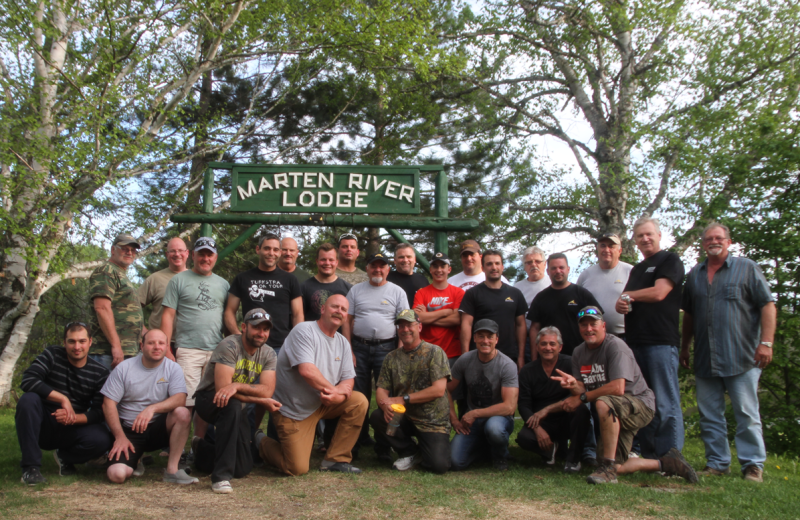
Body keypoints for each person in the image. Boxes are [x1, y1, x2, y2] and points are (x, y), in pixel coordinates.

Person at [554, 306, 697, 485]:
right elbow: (583, 389)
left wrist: (581, 398)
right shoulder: (578, 352)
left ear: (603, 325)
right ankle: (667, 463)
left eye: (593, 324)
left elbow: (617, 388)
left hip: (639, 404)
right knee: (616, 465)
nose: (588, 329)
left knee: (603, 403)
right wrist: (575, 385)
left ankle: (607, 466)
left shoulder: (615, 346)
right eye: (584, 325)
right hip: (614, 409)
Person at [680, 223, 776, 483]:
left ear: (729, 242)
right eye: (709, 238)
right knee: (709, 414)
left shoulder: (747, 268)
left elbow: (767, 305)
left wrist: (766, 343)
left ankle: (753, 465)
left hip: (742, 355)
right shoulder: (695, 274)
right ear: (703, 244)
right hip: (705, 357)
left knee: (746, 413)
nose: (714, 241)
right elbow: (688, 314)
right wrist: (685, 346)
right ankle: (717, 463)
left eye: (719, 237)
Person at [258, 295, 367, 475]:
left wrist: (340, 394)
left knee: (359, 401)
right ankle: (259, 440)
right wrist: (335, 392)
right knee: (296, 468)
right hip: (294, 410)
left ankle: (335, 460)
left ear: (346, 317)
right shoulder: (304, 330)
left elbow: (349, 378)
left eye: (343, 310)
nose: (339, 312)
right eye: (335, 307)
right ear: (323, 309)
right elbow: (307, 371)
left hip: (322, 403)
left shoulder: (342, 343)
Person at [615, 217, 685, 458]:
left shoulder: (670, 260)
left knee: (666, 402)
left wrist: (627, 297)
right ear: (635, 241)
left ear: (659, 235)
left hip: (661, 342)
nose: (645, 239)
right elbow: (625, 300)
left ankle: (672, 455)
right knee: (644, 401)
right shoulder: (637, 269)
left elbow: (659, 292)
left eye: (649, 234)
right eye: (640, 236)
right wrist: (622, 304)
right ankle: (651, 454)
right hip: (635, 342)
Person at [193, 308, 282, 493]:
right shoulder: (229, 346)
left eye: (266, 329)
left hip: (236, 401)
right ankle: (220, 477)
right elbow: (222, 390)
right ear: (244, 327)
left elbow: (267, 390)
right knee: (231, 404)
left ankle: (201, 450)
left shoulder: (269, 354)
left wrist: (238, 386)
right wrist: (256, 400)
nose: (261, 333)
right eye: (257, 328)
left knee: (242, 468)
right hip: (208, 399)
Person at [16, 322, 113, 485]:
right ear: (64, 342)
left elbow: (98, 412)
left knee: (102, 439)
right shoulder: (52, 354)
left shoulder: (100, 373)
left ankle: (65, 457)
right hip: (42, 420)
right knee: (28, 400)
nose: (77, 347)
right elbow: (28, 380)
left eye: (82, 341)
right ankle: (30, 468)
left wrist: (73, 418)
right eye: (71, 341)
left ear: (90, 342)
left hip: (72, 425)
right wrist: (63, 399)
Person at [101, 329, 196, 485]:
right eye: (151, 343)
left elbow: (180, 399)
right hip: (130, 431)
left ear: (167, 347)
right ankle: (135, 459)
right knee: (116, 475)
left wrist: (151, 409)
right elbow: (108, 403)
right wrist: (119, 437)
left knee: (182, 413)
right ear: (142, 345)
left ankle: (172, 470)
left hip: (158, 428)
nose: (156, 347)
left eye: (161, 343)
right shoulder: (124, 368)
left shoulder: (173, 368)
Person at [161, 236, 229, 439]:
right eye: (201, 254)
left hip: (217, 351)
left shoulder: (224, 284)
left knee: (208, 402)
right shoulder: (179, 280)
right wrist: (166, 349)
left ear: (215, 257)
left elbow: (227, 317)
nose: (205, 258)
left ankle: (198, 446)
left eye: (209, 254)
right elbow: (168, 315)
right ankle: (176, 449)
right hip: (188, 349)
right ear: (193, 255)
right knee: (186, 402)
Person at [370, 309, 451, 473]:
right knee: (378, 416)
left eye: (409, 325)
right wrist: (384, 405)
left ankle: (424, 449)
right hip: (404, 417)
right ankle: (408, 451)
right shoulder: (391, 357)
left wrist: (403, 399)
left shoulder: (435, 352)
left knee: (438, 466)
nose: (405, 329)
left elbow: (438, 390)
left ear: (419, 327)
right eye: (400, 326)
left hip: (432, 421)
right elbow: (381, 390)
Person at [342, 252, 409, 450]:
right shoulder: (356, 290)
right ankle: (358, 440)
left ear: (388, 269)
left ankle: (384, 445)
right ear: (368, 269)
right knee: (359, 395)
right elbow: (347, 320)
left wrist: (399, 353)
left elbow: (404, 324)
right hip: (359, 348)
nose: (377, 270)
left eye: (382, 266)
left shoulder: (397, 292)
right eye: (373, 266)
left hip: (387, 349)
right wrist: (349, 349)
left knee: (386, 397)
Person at [448, 319, 519, 471]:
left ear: (496, 339)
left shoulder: (507, 365)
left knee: (494, 429)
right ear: (474, 338)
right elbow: (446, 389)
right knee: (454, 462)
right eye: (481, 336)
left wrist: (475, 413)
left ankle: (501, 456)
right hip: (472, 422)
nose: (485, 340)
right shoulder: (465, 360)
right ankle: (483, 449)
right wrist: (454, 420)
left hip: (499, 418)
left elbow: (509, 407)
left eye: (490, 336)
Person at [516, 326, 588, 471]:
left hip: (566, 416)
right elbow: (523, 405)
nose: (548, 348)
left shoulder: (570, 364)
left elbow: (580, 394)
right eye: (543, 344)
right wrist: (537, 429)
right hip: (541, 421)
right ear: (536, 347)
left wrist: (548, 409)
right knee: (524, 438)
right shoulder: (527, 371)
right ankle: (550, 451)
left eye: (552, 344)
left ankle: (573, 459)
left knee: (582, 410)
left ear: (560, 347)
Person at [225, 234, 303, 357]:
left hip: (281, 346)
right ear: (258, 250)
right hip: (250, 345)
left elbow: (298, 314)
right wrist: (238, 336)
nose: (271, 253)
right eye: (267, 248)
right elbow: (229, 311)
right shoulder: (242, 278)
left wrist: (295, 340)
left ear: (280, 252)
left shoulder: (290, 279)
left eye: (276, 249)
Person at [526, 253, 602, 362]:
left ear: (568, 269)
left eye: (561, 267)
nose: (558, 271)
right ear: (548, 271)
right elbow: (534, 329)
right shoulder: (541, 298)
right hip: (550, 359)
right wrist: (534, 359)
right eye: (554, 268)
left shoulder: (582, 294)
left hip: (581, 357)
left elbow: (598, 322)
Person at [88, 233, 144, 370]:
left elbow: (127, 312)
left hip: (127, 352)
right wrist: (116, 345)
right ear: (113, 250)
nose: (129, 252)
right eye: (124, 248)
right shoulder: (106, 270)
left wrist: (145, 336)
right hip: (107, 353)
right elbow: (101, 308)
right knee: (105, 392)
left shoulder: (120, 274)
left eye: (133, 250)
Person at [459, 250, 527, 361]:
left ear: (502, 266)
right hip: (479, 356)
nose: (494, 267)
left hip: (509, 356)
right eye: (489, 264)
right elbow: (466, 324)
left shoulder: (515, 293)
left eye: (497, 263)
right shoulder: (472, 293)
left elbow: (521, 325)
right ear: (483, 267)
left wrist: (521, 357)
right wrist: (465, 357)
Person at [412, 252, 464, 368]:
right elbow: (416, 318)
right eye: (435, 266)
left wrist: (427, 317)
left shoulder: (458, 293)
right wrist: (446, 312)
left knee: (451, 386)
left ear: (449, 269)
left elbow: (457, 319)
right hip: (426, 352)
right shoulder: (421, 293)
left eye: (443, 266)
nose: (439, 270)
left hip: (452, 353)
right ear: (430, 269)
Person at [577, 233, 632, 341]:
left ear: (619, 251)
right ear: (597, 250)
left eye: (611, 246)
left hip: (625, 337)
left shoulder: (630, 272)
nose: (606, 250)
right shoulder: (586, 275)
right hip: (593, 338)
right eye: (603, 245)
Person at [138, 237, 190, 343]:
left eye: (180, 251)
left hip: (189, 345)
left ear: (187, 253)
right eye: (173, 251)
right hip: (160, 345)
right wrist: (145, 334)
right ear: (167, 255)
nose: (177, 254)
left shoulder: (196, 279)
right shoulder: (155, 279)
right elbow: (132, 307)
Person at [515, 246, 550, 364]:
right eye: (529, 262)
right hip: (525, 341)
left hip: (550, 340)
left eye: (537, 261)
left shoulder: (552, 284)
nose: (533, 265)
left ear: (545, 264)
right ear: (524, 267)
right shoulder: (517, 289)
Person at [301, 243, 352, 323]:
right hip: (311, 334)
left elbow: (350, 319)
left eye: (331, 260)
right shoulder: (304, 287)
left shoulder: (348, 289)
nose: (327, 263)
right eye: (323, 259)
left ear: (336, 262)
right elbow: (299, 316)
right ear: (317, 261)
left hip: (338, 335)